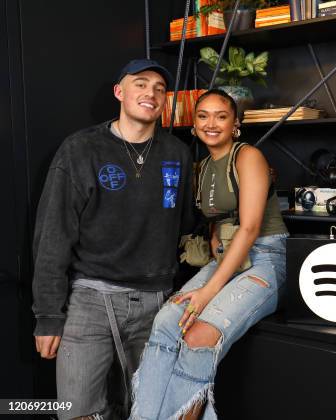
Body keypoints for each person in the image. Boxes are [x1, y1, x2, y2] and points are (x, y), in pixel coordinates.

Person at [32, 59, 194, 419]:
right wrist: (48, 316)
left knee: (148, 411)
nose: (150, 93)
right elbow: (52, 236)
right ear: (120, 92)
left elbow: (185, 228)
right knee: (76, 412)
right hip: (90, 300)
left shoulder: (177, 155)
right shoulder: (80, 150)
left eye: (159, 89)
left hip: (156, 304)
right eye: (140, 84)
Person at [130, 89, 289, 420]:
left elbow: (249, 228)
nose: (211, 123)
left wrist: (207, 291)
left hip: (264, 259)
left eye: (221, 116)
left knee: (200, 336)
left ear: (236, 125)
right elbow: (218, 222)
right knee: (166, 322)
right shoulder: (202, 167)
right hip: (227, 259)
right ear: (194, 125)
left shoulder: (248, 157)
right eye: (203, 116)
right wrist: (215, 246)